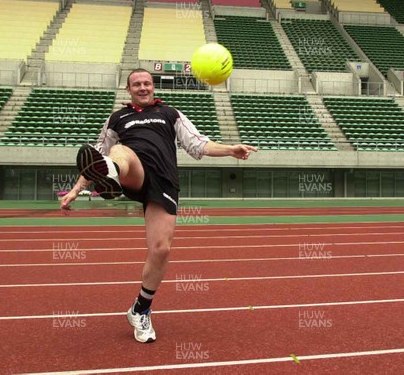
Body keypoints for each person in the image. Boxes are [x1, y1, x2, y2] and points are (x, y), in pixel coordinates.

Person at [60, 68, 257, 343]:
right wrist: (76, 189)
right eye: (136, 84)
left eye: (147, 83)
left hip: (164, 181)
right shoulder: (117, 118)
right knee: (117, 153)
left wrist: (231, 149)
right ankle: (113, 178)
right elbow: (97, 157)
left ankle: (140, 309)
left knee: (161, 249)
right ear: (128, 90)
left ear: (153, 87)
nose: (142, 87)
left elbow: (198, 144)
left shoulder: (170, 113)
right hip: (134, 171)